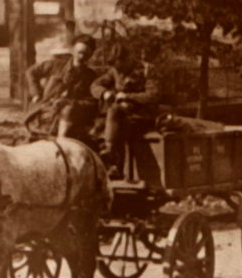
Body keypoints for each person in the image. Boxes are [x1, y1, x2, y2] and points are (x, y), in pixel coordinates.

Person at [92, 53, 164, 185]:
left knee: (115, 113)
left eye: (121, 68)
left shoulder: (148, 69)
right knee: (97, 127)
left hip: (144, 115)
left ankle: (112, 156)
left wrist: (128, 96)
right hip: (122, 115)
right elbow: (94, 85)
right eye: (117, 69)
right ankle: (109, 167)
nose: (120, 72)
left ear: (128, 59)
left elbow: (153, 95)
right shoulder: (115, 70)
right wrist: (104, 93)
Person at [27, 34, 99, 141]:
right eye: (79, 52)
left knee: (68, 110)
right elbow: (31, 72)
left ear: (90, 55)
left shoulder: (90, 76)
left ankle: (61, 142)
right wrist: (36, 93)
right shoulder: (56, 65)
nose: (82, 57)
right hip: (46, 108)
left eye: (86, 54)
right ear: (73, 50)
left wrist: (71, 103)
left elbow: (92, 102)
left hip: (70, 114)